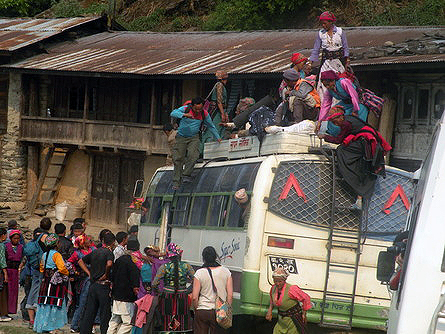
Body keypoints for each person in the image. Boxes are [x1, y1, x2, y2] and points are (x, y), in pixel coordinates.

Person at [319, 107, 392, 203]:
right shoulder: (349, 118)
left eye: (335, 121)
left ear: (340, 117)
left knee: (341, 150)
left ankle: (349, 173)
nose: (335, 124)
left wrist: (325, 137)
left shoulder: (346, 124)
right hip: (363, 141)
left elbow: (339, 140)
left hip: (366, 142)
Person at [170, 97, 221, 189]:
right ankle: (176, 181)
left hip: (194, 137)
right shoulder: (186, 109)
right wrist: (184, 115)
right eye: (196, 109)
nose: (198, 111)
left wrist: (218, 137)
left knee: (193, 156)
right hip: (181, 137)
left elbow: (211, 126)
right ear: (192, 106)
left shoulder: (204, 114)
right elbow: (173, 113)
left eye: (200, 109)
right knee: (178, 159)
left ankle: (186, 174)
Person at [152, 243, 195, 332]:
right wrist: (188, 290)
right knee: (181, 320)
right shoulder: (186, 266)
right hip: (182, 296)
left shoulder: (164, 267)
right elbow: (196, 280)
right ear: (180, 254)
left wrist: (159, 293)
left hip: (167, 296)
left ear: (169, 256)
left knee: (167, 320)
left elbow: (154, 284)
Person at [79, 232, 115, 334]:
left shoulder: (95, 252)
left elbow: (80, 261)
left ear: (102, 241)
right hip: (103, 285)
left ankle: (84, 331)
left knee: (90, 311)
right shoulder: (109, 253)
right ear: (113, 242)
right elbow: (109, 264)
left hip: (93, 284)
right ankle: (104, 331)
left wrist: (89, 273)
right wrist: (106, 274)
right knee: (104, 313)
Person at [33, 233, 70, 334]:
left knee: (45, 302)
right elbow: (62, 268)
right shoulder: (57, 255)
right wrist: (68, 272)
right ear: (57, 244)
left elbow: (41, 268)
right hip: (54, 283)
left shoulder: (44, 255)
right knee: (54, 302)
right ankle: (52, 327)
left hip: (45, 281)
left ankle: (42, 325)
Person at [192, 246, 233, 334]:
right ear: (215, 257)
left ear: (203, 258)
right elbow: (230, 295)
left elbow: (195, 297)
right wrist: (226, 310)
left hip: (203, 310)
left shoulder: (199, 273)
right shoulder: (226, 272)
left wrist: (197, 309)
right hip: (219, 311)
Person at [265, 267, 312, 334]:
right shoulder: (273, 288)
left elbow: (306, 298)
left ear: (284, 280)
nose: (277, 283)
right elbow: (272, 301)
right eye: (275, 281)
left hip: (293, 320)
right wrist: (269, 312)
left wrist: (304, 314)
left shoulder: (292, 289)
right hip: (282, 320)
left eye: (280, 281)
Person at [309, 11, 350, 86]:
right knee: (323, 82)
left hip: (339, 62)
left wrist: (347, 60)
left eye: (325, 23)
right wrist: (310, 63)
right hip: (326, 63)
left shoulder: (340, 32)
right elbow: (316, 49)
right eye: (322, 24)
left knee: (342, 81)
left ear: (330, 22)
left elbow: (345, 47)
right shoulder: (321, 34)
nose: (323, 25)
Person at [107, 245, 140, 334]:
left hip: (116, 295)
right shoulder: (132, 263)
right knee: (128, 322)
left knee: (114, 319)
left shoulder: (118, 260)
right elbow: (135, 279)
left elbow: (112, 275)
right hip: (127, 297)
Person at [68, 234, 97, 333]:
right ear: (83, 242)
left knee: (92, 303)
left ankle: (90, 325)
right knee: (82, 303)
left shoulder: (93, 250)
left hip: (93, 279)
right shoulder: (77, 253)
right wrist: (74, 272)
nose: (90, 241)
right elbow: (69, 263)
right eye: (88, 240)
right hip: (83, 280)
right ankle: (75, 325)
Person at [25, 226, 47, 329]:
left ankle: (31, 321)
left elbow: (27, 263)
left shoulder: (30, 245)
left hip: (32, 272)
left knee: (31, 294)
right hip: (41, 272)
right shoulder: (44, 246)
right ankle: (38, 322)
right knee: (40, 295)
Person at [5, 229, 23, 316]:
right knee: (7, 290)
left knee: (14, 291)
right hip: (8, 270)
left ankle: (12, 309)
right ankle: (5, 309)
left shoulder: (21, 247)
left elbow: (23, 258)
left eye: (18, 238)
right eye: (14, 238)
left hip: (15, 271)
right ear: (11, 238)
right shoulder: (6, 246)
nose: (16, 240)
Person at [0, 228, 11, 322]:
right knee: (2, 292)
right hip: (0, 271)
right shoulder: (1, 246)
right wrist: (5, 273)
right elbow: (2, 260)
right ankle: (2, 314)